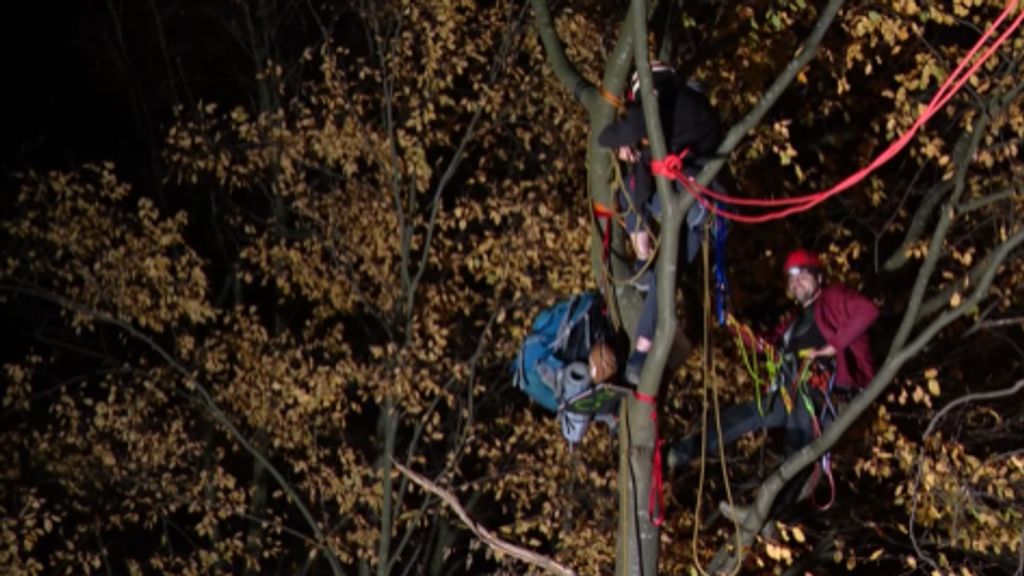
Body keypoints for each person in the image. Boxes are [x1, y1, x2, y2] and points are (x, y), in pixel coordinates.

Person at [666, 248, 879, 519]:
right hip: (793, 394)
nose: (795, 283)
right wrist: (729, 321)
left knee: (795, 458)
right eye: (791, 280)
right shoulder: (793, 322)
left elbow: (868, 310)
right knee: (744, 415)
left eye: (802, 276)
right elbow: (763, 346)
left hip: (822, 395)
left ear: (818, 277)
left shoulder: (834, 298)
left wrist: (831, 347)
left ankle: (764, 517)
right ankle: (684, 451)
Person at [597, 63, 722, 385]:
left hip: (699, 202)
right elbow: (640, 186)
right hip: (692, 202)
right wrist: (635, 155)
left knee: (665, 275)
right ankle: (642, 350)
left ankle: (641, 353)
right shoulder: (672, 124)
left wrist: (615, 139)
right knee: (663, 279)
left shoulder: (668, 101)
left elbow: (617, 133)